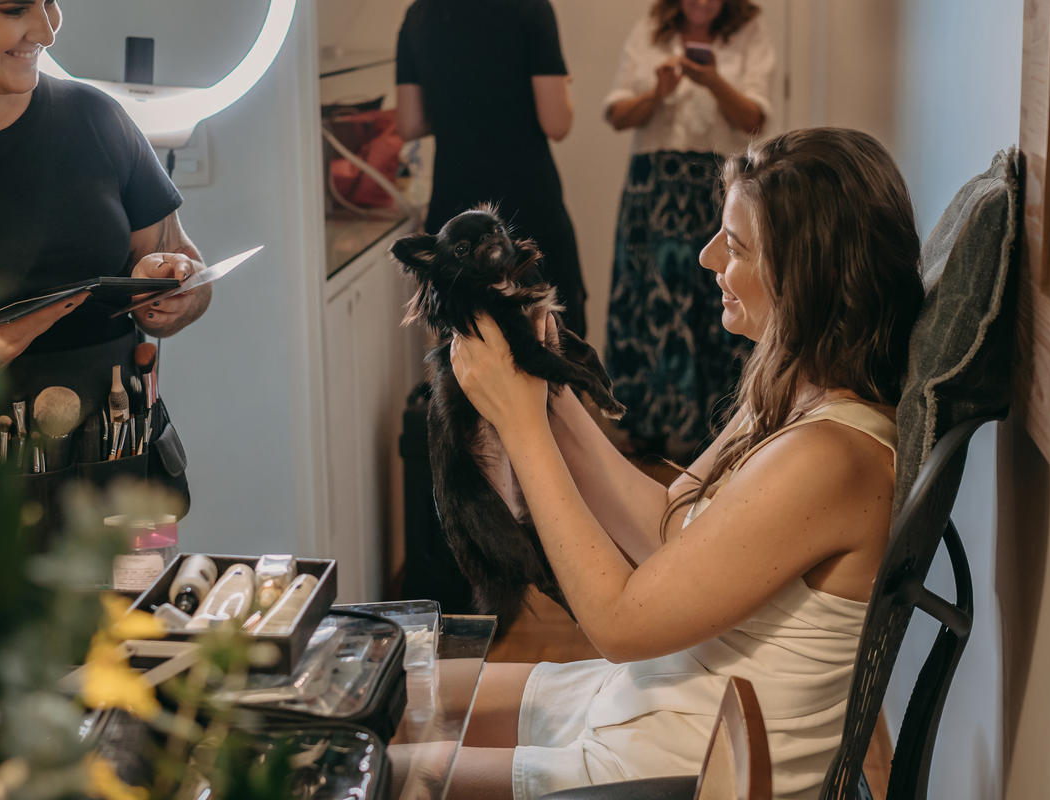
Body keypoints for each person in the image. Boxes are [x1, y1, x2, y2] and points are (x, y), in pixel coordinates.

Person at [426, 128, 925, 800]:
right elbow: (668, 523)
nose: (706, 255)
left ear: (805, 276)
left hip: (682, 764)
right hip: (658, 696)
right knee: (410, 689)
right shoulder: (798, 388)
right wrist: (550, 390)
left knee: (394, 773)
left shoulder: (832, 459)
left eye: (735, 246)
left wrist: (521, 427)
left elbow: (619, 624)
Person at [0, 0, 210, 407]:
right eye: (14, 9)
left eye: (50, 1)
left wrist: (173, 293)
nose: (47, 33)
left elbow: (187, 270)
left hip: (122, 435)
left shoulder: (96, 116)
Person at [604, 0, 774, 456]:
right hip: (652, 190)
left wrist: (712, 80)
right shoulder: (650, 32)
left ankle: (721, 425)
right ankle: (646, 424)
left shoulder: (749, 34)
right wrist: (657, 94)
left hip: (718, 191)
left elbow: (755, 121)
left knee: (719, 293)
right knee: (649, 297)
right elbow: (616, 115)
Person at [394, 0, 587, 337]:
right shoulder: (530, 7)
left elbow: (410, 123)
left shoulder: (420, 14)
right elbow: (556, 122)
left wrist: (458, 115)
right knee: (553, 342)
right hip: (525, 212)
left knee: (467, 347)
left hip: (455, 222)